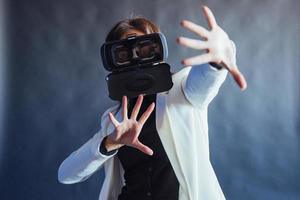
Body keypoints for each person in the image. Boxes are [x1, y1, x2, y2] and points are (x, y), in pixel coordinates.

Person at [58, 6, 246, 200]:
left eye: (145, 49)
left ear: (158, 51)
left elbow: (203, 82)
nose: (135, 57)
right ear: (113, 60)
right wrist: (110, 142)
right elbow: (65, 175)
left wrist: (216, 60)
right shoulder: (113, 119)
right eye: (123, 54)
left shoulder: (182, 93)